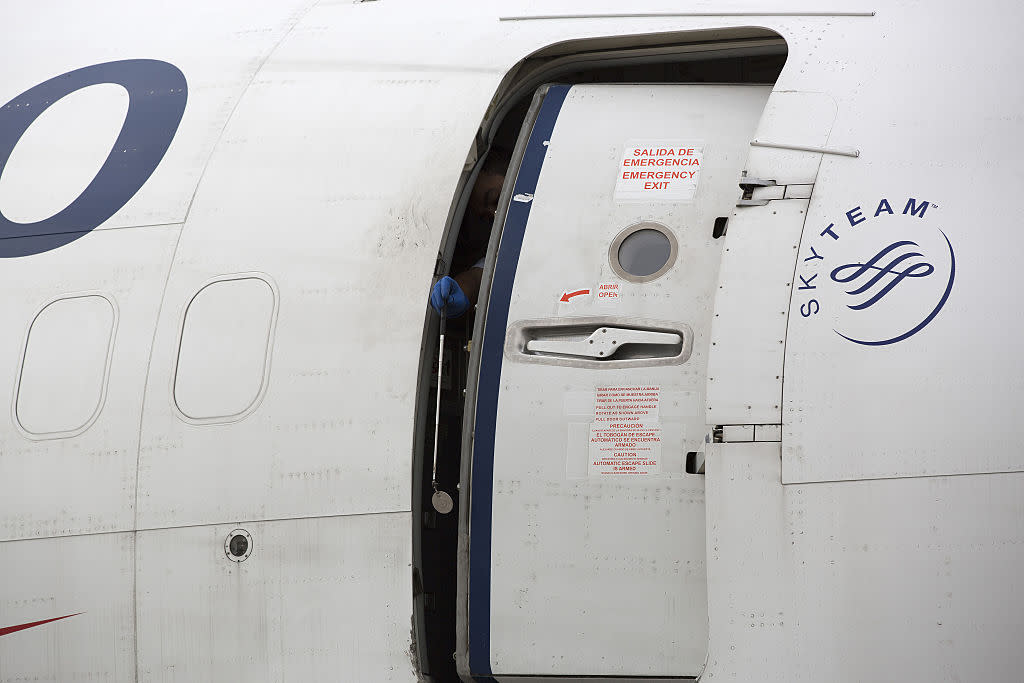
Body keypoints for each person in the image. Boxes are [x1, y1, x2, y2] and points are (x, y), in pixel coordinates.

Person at [430, 147, 509, 317]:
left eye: (495, 200)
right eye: (485, 217)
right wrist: (457, 291)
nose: (495, 214)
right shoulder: (508, 244)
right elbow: (480, 275)